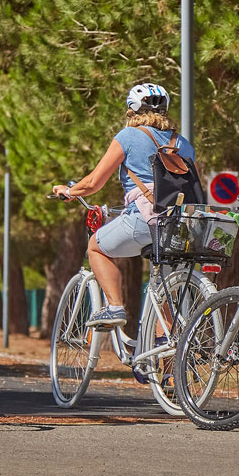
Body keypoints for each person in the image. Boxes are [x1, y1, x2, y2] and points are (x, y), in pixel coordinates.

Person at [50, 83, 195, 329]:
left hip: (145, 219)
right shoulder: (182, 142)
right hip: (181, 225)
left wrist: (70, 191)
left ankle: (115, 307)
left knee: (96, 247)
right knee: (164, 296)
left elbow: (94, 182)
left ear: (132, 110)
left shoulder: (128, 137)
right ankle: (166, 365)